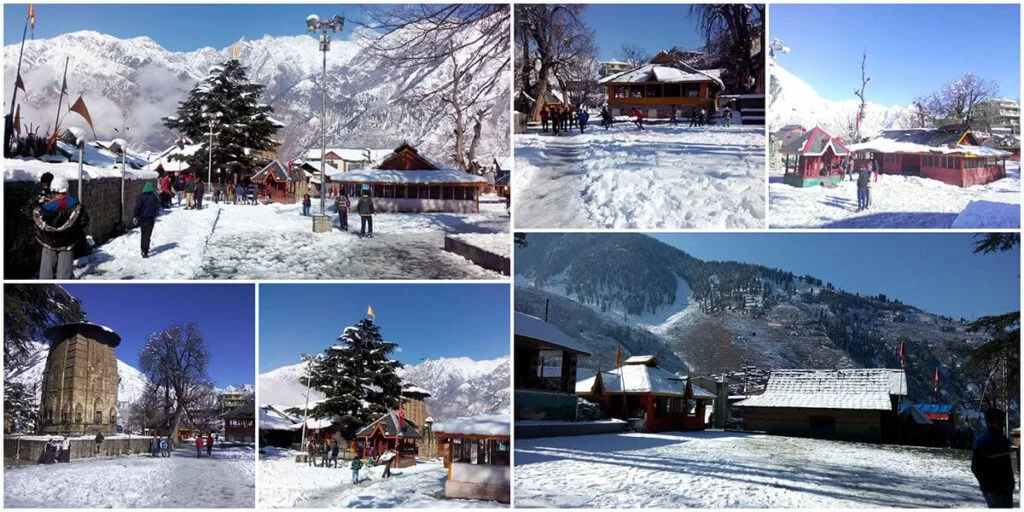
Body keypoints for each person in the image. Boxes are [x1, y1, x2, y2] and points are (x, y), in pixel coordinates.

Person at [34, 176, 87, 279]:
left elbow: (37, 218)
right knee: (64, 274)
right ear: (66, 189)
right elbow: (84, 221)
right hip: (67, 243)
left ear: (53, 189)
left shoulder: (46, 207)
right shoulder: (75, 204)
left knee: (46, 272)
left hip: (49, 242)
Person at [972, 408, 1015, 508]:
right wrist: (987, 485)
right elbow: (976, 467)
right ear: (991, 422)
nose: (1002, 424)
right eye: (1000, 421)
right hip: (995, 489)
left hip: (1002, 488)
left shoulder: (1001, 439)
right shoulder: (986, 442)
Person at [133, 182, 161, 258]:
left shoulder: (141, 197)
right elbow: (158, 206)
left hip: (142, 218)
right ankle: (145, 250)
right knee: (148, 234)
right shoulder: (154, 197)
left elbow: (137, 207)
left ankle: (142, 249)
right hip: (151, 218)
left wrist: (135, 216)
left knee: (143, 234)